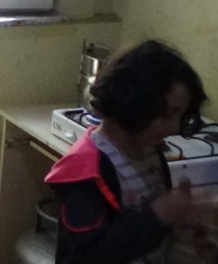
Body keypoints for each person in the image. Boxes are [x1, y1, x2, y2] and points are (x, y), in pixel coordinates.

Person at [44, 39, 208, 264]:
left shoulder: (150, 153)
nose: (175, 128)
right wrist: (158, 217)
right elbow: (86, 255)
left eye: (180, 116)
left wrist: (177, 226)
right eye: (167, 115)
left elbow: (143, 229)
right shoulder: (86, 171)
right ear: (132, 102)